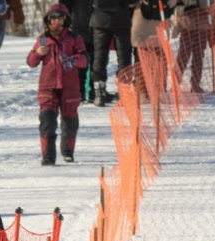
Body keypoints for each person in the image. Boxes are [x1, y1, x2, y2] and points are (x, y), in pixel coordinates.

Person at [27, 4, 88, 165]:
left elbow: (84, 60)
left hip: (70, 87)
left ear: (66, 20)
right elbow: (31, 62)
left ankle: (68, 152)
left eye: (59, 18)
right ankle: (47, 156)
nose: (56, 22)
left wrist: (74, 59)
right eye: (52, 18)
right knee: (47, 120)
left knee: (70, 121)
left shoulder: (75, 38)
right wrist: (37, 53)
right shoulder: (42, 39)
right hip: (48, 86)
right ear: (47, 21)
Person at [89, 0, 135, 107]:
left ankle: (99, 91)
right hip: (121, 18)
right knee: (124, 56)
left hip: (100, 18)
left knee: (99, 55)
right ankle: (124, 91)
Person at [174, 0, 214, 94]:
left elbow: (211, 6)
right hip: (186, 23)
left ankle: (195, 84)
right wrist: (185, 9)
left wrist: (214, 27)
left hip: (202, 24)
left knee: (199, 55)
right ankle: (176, 82)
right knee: (183, 54)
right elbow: (175, 7)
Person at [62, 0, 95, 103]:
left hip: (98, 28)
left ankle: (93, 92)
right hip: (79, 27)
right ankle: (79, 92)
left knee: (97, 62)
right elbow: (64, 7)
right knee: (80, 62)